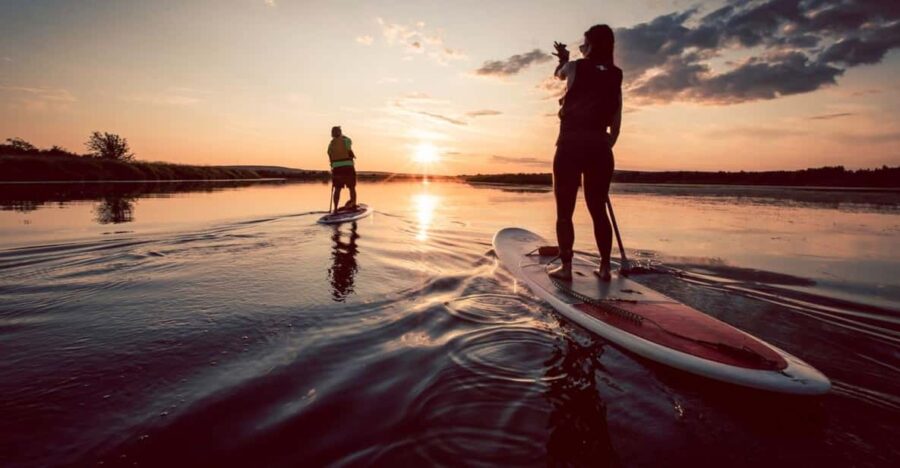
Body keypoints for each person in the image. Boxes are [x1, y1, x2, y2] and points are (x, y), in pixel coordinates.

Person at [547, 24, 623, 282]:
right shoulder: (616, 75)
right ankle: (604, 269)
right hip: (600, 148)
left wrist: (564, 59)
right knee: (598, 209)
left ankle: (566, 268)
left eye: (584, 44)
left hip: (569, 146)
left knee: (564, 211)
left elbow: (558, 74)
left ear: (590, 46)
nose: (582, 48)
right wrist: (601, 145)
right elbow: (616, 123)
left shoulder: (575, 67)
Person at [327, 126, 357, 212]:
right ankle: (353, 205)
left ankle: (335, 208)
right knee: (351, 187)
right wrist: (344, 137)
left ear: (332, 134)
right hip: (348, 167)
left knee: (337, 189)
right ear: (340, 132)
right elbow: (349, 146)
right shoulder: (346, 140)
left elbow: (329, 153)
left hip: (337, 168)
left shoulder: (331, 143)